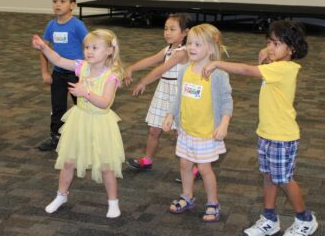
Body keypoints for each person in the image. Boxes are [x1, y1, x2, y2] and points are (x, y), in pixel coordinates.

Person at [202, 20, 318, 236]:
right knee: (268, 176)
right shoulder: (275, 65)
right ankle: (269, 218)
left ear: (291, 49)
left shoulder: (285, 68)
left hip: (283, 136)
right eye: (269, 43)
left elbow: (247, 70)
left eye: (276, 44)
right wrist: (268, 50)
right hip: (266, 133)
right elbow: (265, 56)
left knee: (284, 179)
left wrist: (218, 64)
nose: (270, 48)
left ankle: (305, 219)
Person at [32, 29, 125, 218]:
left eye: (95, 48)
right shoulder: (81, 66)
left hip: (101, 123)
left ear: (109, 51)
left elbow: (106, 102)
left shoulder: (111, 76)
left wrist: (85, 93)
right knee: (68, 161)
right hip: (79, 119)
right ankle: (61, 195)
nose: (89, 51)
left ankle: (113, 202)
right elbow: (58, 60)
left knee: (107, 166)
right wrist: (44, 47)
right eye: (87, 47)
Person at [163, 23, 233, 222]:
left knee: (204, 169)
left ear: (210, 49)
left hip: (206, 133)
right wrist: (170, 116)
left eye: (197, 44)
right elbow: (179, 98)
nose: (191, 48)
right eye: (189, 43)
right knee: (185, 164)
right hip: (186, 131)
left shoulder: (218, 74)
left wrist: (224, 124)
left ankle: (213, 202)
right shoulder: (185, 70)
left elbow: (227, 101)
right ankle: (187, 196)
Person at [125, 13, 190, 170]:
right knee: (154, 129)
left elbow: (161, 69)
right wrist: (131, 67)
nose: (167, 32)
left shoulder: (182, 51)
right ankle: (147, 159)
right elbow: (151, 60)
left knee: (180, 134)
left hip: (178, 94)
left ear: (185, 32)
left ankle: (191, 167)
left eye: (172, 29)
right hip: (163, 91)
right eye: (166, 28)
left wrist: (142, 82)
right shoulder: (168, 48)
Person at [37, 0, 88, 151]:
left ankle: (86, 136)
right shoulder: (51, 26)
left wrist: (89, 72)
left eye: (62, 1)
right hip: (58, 74)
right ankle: (56, 137)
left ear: (72, 5)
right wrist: (45, 71)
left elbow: (90, 46)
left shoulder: (78, 25)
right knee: (57, 106)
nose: (57, 4)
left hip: (77, 74)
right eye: (54, 1)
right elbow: (43, 50)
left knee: (82, 106)